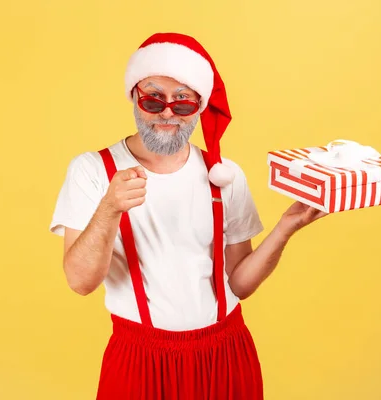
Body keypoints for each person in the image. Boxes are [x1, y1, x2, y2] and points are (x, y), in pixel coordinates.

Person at [49, 32, 327, 400]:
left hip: (225, 355)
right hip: (139, 358)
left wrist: (286, 228)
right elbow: (80, 282)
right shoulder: (93, 170)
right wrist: (109, 208)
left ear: (198, 107)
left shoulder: (223, 174)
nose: (167, 112)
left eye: (182, 102)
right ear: (134, 96)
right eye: (153, 98)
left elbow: (240, 284)